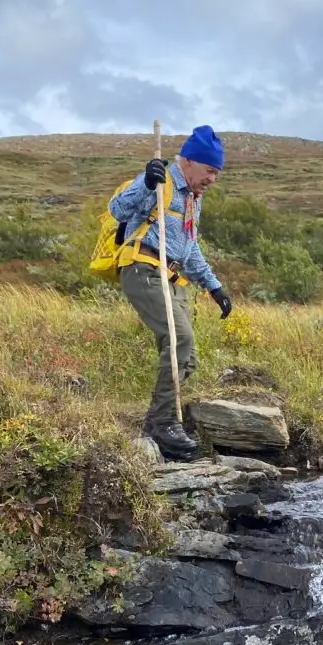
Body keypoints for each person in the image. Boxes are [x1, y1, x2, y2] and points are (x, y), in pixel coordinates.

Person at [109, 125, 233, 459]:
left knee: (186, 355)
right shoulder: (159, 180)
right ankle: (162, 422)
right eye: (209, 171)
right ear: (189, 162)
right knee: (180, 340)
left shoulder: (193, 199)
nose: (212, 179)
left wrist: (214, 286)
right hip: (143, 268)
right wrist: (148, 182)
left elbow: (189, 249)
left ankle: (165, 426)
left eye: (217, 173)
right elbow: (117, 210)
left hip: (172, 278)